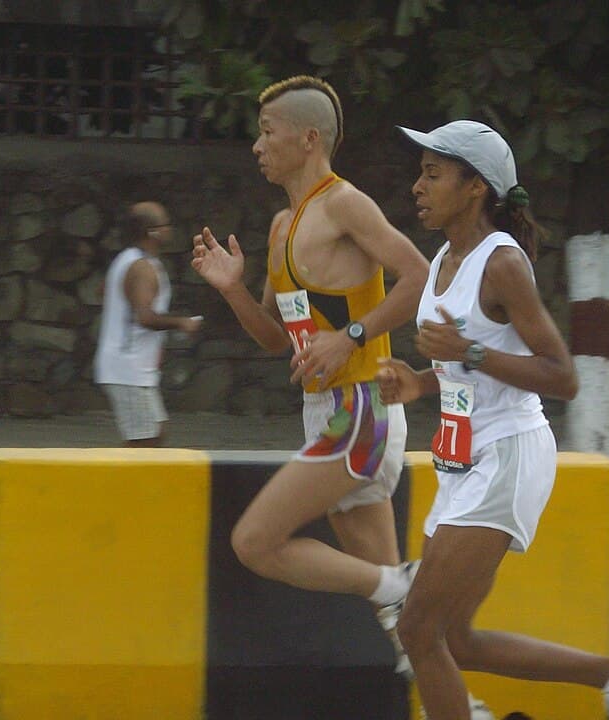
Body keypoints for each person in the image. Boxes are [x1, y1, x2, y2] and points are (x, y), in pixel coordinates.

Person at [190, 75, 489, 707]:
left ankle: (402, 582)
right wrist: (232, 289)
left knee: (254, 543)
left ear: (309, 139)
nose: (256, 146)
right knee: (406, 630)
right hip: (324, 410)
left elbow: (417, 274)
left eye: (267, 132)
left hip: (360, 410)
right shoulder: (281, 225)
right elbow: (276, 339)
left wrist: (351, 336)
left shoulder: (344, 204)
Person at [376, 119, 609, 720]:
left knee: (417, 629)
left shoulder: (501, 263)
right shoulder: (443, 259)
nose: (417, 187)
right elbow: (468, 367)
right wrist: (421, 382)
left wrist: (468, 353)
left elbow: (563, 376)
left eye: (432, 174)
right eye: (421, 173)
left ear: (476, 187)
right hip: (462, 459)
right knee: (453, 639)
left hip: (507, 453)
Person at [94, 201, 202, 447]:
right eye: (165, 224)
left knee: (154, 434)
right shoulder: (142, 267)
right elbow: (145, 317)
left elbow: (103, 292)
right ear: (151, 232)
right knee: (145, 440)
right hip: (128, 368)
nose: (169, 229)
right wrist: (182, 323)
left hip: (130, 367)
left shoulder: (126, 259)